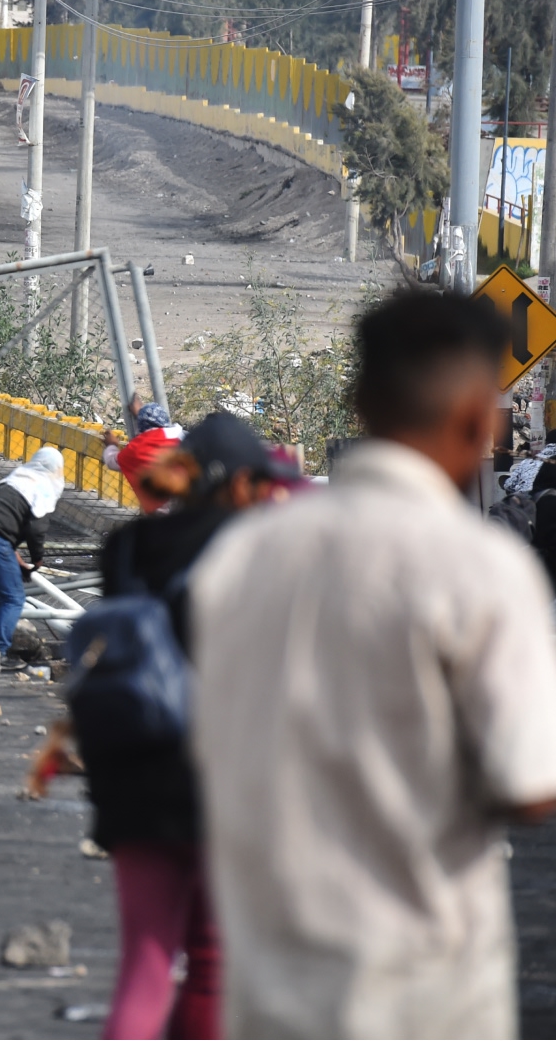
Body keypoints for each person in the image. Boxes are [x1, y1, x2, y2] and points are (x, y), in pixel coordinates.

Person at [191, 291, 556, 1038]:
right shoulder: (481, 569)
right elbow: (528, 785)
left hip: (272, 980)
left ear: (359, 403)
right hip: (423, 989)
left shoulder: (245, 555)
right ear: (480, 420)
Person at [68, 413, 294, 1040]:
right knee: (213, 965)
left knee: (144, 963)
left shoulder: (127, 547)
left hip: (133, 774)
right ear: (241, 483)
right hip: (227, 781)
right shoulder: (262, 553)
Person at [0, 446, 64, 660]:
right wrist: (37, 558)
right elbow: (36, 529)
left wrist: (17, 560)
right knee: (12, 598)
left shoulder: (15, 479)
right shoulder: (42, 485)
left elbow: (1, 523)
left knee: (1, 596)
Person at [104, 398, 186, 514]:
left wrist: (111, 445)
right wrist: (142, 414)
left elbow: (111, 461)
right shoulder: (180, 437)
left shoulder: (136, 448)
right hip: (191, 504)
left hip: (161, 513)